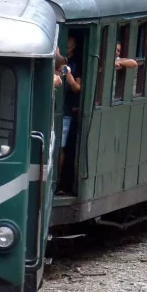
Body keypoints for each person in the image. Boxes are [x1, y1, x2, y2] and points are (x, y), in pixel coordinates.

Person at [58, 36, 83, 192]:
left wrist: (69, 77)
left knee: (61, 147)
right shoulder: (57, 60)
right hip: (55, 109)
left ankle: (58, 182)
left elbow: (77, 88)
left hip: (66, 111)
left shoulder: (76, 64)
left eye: (69, 44)